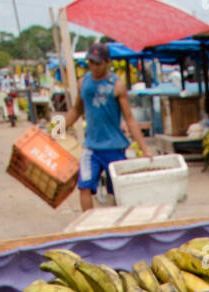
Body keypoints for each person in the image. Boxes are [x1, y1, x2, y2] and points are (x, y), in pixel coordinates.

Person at [63, 41, 151, 211]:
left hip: (114, 148)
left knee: (116, 191)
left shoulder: (117, 85)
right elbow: (76, 110)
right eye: (91, 63)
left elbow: (130, 118)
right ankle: (88, 225)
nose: (94, 67)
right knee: (84, 186)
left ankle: (115, 226)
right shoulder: (84, 83)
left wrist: (144, 148)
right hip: (91, 148)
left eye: (98, 63)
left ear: (107, 62)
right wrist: (56, 130)